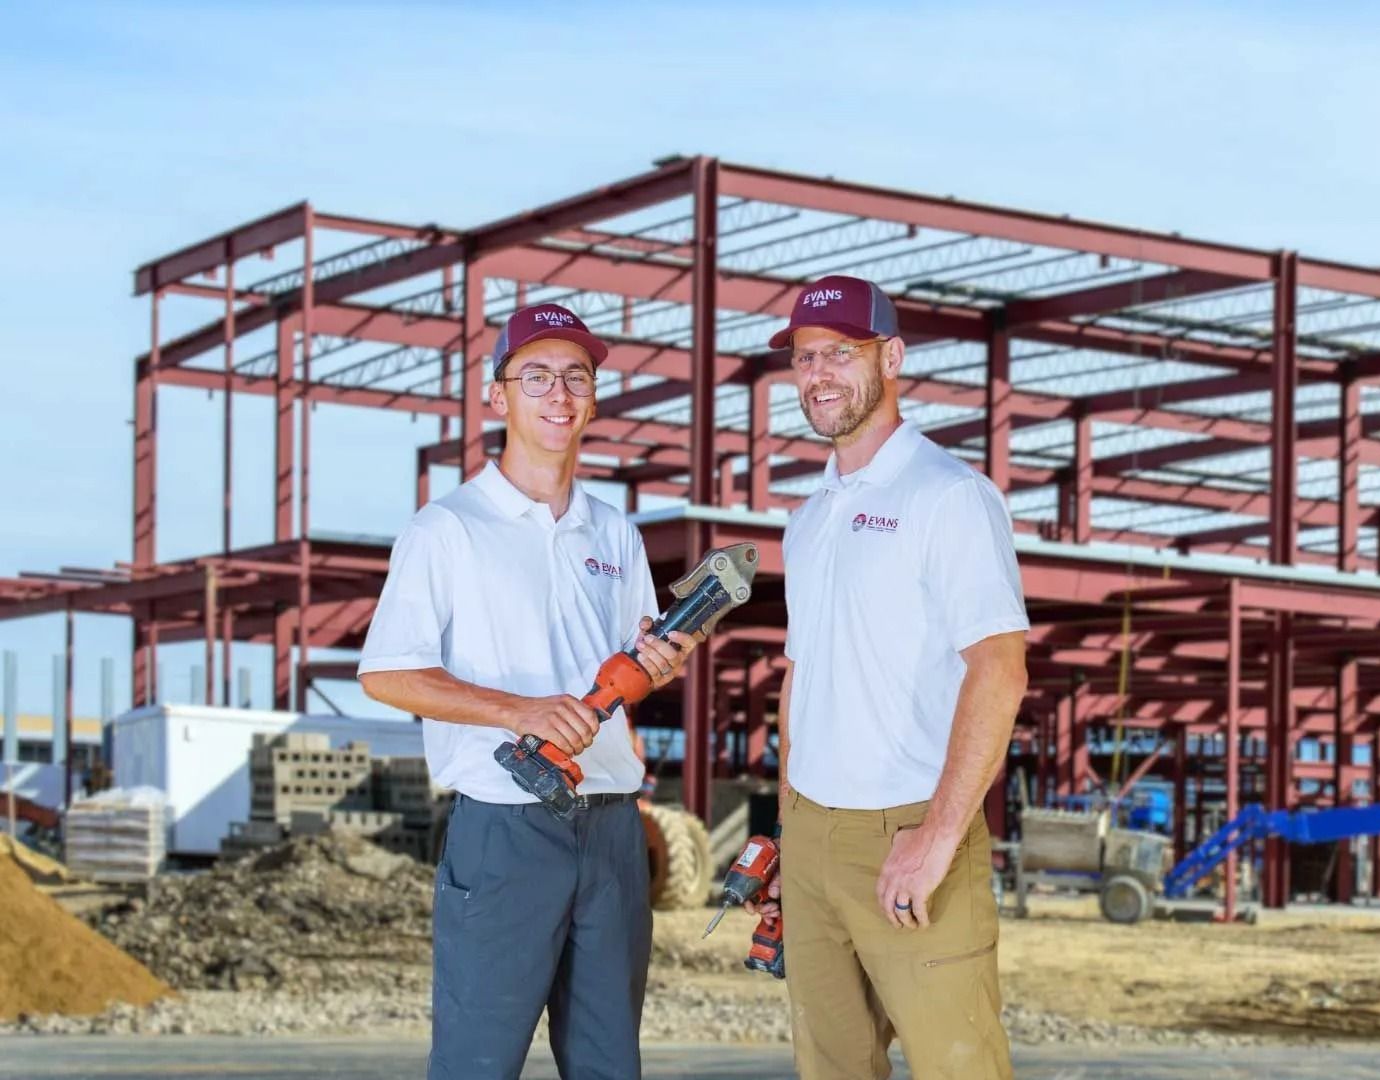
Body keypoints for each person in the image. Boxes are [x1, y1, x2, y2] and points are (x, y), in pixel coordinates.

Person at [357, 302, 698, 1080]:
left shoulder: (616, 533)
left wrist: (658, 663)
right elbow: (386, 673)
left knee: (610, 1066)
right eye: (536, 375)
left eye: (576, 376)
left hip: (613, 830)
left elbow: (625, 674)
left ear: (594, 397)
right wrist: (520, 711)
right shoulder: (447, 529)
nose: (558, 393)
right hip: (505, 832)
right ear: (497, 393)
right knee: (479, 1065)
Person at [753, 275, 1030, 1078]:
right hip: (811, 841)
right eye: (806, 358)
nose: (820, 374)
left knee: (958, 1066)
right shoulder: (807, 522)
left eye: (841, 351)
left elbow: (1000, 669)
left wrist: (939, 835)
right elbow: (801, 682)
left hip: (909, 833)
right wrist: (785, 838)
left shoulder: (949, 497)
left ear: (893, 356)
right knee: (833, 1068)